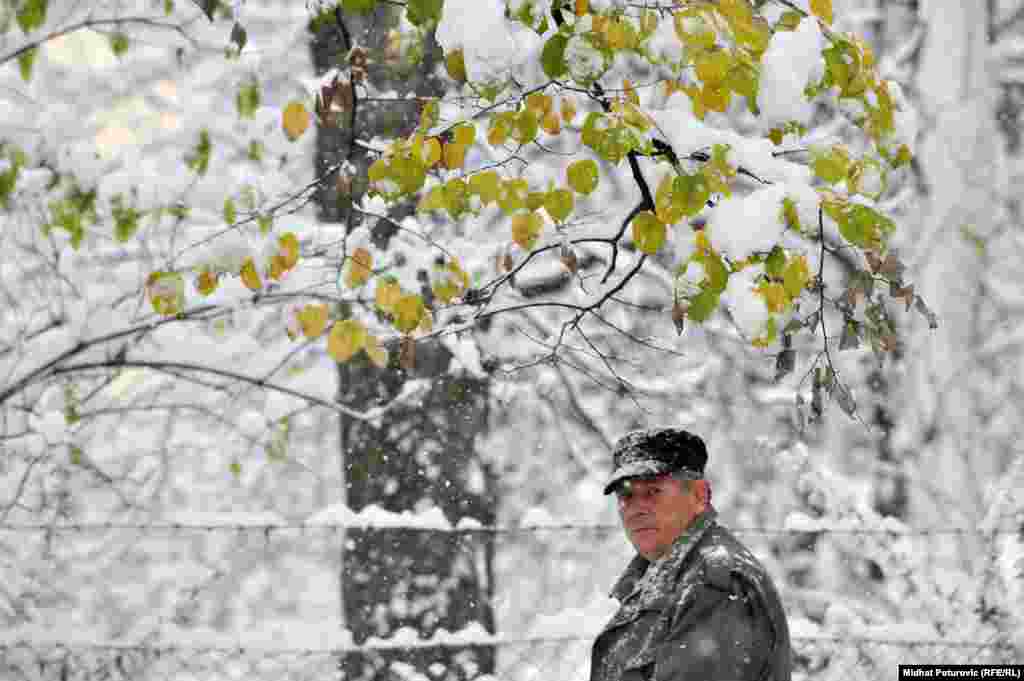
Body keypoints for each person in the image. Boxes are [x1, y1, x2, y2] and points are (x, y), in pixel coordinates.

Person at [590, 427, 792, 681]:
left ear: (698, 496)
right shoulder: (664, 575)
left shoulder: (714, 582)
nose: (636, 508)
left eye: (653, 492)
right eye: (626, 495)